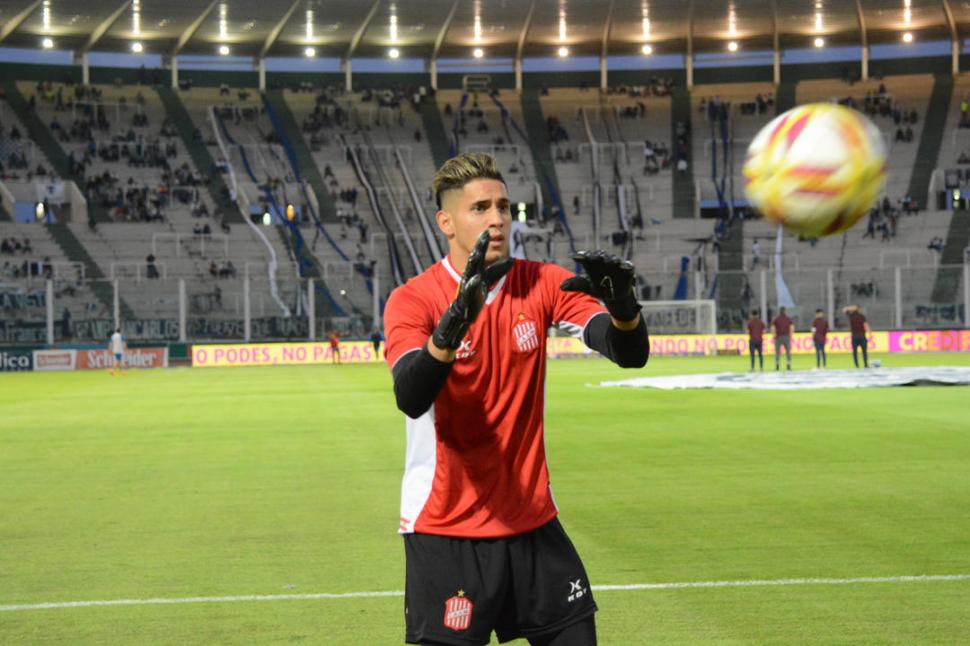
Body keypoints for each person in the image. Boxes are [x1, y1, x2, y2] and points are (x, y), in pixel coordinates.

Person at [383, 153, 648, 646]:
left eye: (504, 206)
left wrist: (625, 313)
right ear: (446, 222)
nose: (497, 218)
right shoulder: (413, 298)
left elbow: (627, 353)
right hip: (446, 527)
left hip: (532, 522)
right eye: (480, 208)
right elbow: (410, 395)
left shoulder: (542, 282)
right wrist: (453, 325)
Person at [771, 306, 793, 371]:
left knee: (777, 352)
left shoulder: (776, 319)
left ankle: (777, 365)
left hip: (778, 337)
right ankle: (788, 365)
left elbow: (773, 328)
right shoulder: (788, 319)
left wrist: (774, 335)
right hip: (786, 336)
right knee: (788, 352)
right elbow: (791, 327)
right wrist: (790, 335)